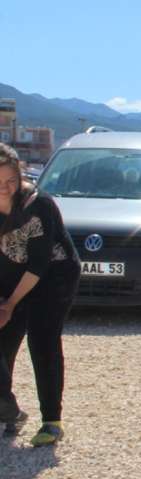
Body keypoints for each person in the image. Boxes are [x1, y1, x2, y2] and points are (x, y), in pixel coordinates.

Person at [0, 144, 80, 446]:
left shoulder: (38, 205)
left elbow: (38, 263)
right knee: (4, 339)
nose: (6, 190)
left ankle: (51, 420)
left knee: (42, 341)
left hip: (51, 278)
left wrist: (11, 304)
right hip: (10, 274)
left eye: (10, 181)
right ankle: (8, 410)